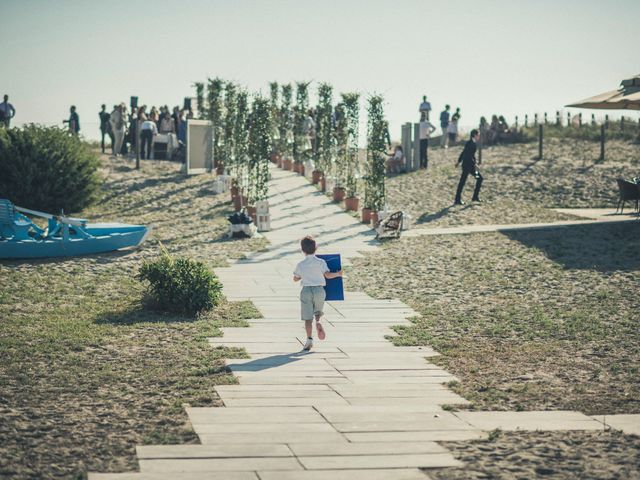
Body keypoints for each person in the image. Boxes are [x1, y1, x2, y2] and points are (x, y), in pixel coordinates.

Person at [293, 236, 343, 351]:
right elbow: (327, 275)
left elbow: (295, 279)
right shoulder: (321, 262)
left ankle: (309, 339)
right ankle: (318, 321)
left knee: (307, 318)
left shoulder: (301, 264)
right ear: (316, 248)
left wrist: (302, 275)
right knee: (318, 312)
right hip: (320, 290)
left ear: (302, 250)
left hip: (306, 291)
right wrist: (338, 274)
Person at [454, 129, 483, 205]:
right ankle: (457, 199)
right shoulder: (471, 144)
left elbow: (466, 153)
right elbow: (467, 155)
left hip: (470, 166)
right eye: (478, 135)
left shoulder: (472, 143)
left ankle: (475, 197)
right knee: (462, 182)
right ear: (474, 135)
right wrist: (475, 164)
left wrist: (458, 161)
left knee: (479, 178)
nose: (479, 136)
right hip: (467, 166)